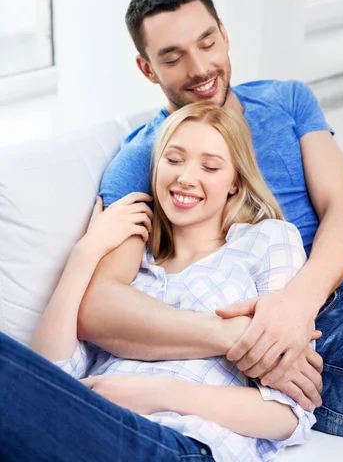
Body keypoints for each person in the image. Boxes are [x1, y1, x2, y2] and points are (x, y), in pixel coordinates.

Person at [77, 0, 343, 446]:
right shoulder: (142, 160)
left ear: (224, 34)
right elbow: (100, 307)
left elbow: (342, 210)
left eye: (207, 42)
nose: (200, 66)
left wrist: (294, 304)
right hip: (318, 338)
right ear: (148, 69)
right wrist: (245, 335)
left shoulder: (287, 99)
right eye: (173, 57)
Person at [0, 103, 316, 462]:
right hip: (87, 430)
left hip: (181, 444)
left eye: (210, 166)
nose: (185, 177)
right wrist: (85, 253)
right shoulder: (129, 271)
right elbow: (48, 374)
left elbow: (288, 413)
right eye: (174, 159)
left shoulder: (267, 241)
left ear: (235, 184)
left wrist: (154, 393)